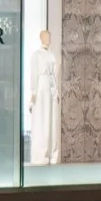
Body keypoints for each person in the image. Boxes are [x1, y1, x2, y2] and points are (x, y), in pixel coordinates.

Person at [28, 27, 60, 166]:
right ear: (41, 38)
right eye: (46, 36)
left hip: (50, 88)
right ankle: (41, 155)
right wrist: (33, 93)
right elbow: (33, 75)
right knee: (42, 119)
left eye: (49, 36)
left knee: (52, 121)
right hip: (41, 88)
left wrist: (56, 91)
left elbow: (54, 75)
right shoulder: (36, 55)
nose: (48, 39)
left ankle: (52, 154)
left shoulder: (52, 55)